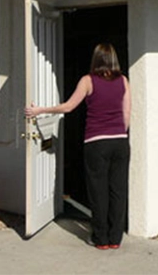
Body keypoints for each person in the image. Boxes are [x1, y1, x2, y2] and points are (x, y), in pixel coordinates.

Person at [24, 43, 131, 250]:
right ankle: (115, 238)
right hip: (120, 141)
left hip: (96, 143)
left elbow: (69, 106)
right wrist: (118, 133)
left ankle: (101, 239)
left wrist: (41, 110)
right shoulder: (124, 81)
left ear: (96, 59)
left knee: (98, 191)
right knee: (118, 190)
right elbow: (127, 115)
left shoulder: (88, 80)